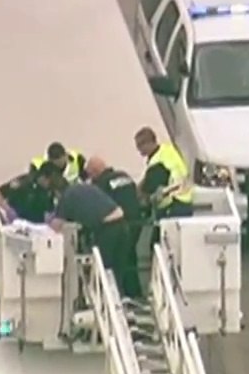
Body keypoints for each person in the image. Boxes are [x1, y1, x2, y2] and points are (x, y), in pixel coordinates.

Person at [44, 166, 136, 298]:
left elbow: (55, 227)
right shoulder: (86, 188)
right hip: (123, 225)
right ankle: (118, 303)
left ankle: (104, 304)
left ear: (57, 192)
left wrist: (44, 224)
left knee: (102, 272)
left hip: (108, 231)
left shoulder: (67, 197)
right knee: (116, 274)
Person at [87, 155, 145, 298]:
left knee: (114, 262)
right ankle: (135, 293)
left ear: (95, 171)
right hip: (136, 223)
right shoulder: (125, 176)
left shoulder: (101, 184)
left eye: (90, 174)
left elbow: (98, 207)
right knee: (131, 257)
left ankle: (116, 295)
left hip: (117, 226)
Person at [134, 126, 194, 221]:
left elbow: (149, 188)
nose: (139, 150)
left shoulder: (157, 162)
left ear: (148, 143)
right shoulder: (168, 151)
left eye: (140, 146)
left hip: (172, 205)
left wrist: (138, 194)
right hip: (186, 201)